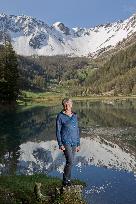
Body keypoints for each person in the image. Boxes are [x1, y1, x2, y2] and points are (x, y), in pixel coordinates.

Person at [56, 98, 80, 186]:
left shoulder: (75, 116)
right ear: (63, 105)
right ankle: (65, 180)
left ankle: (68, 180)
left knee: (71, 162)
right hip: (65, 142)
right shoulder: (60, 116)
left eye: (69, 104)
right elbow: (58, 131)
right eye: (65, 105)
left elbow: (77, 130)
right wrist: (60, 144)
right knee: (70, 161)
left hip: (74, 142)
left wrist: (78, 143)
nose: (67, 106)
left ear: (71, 105)